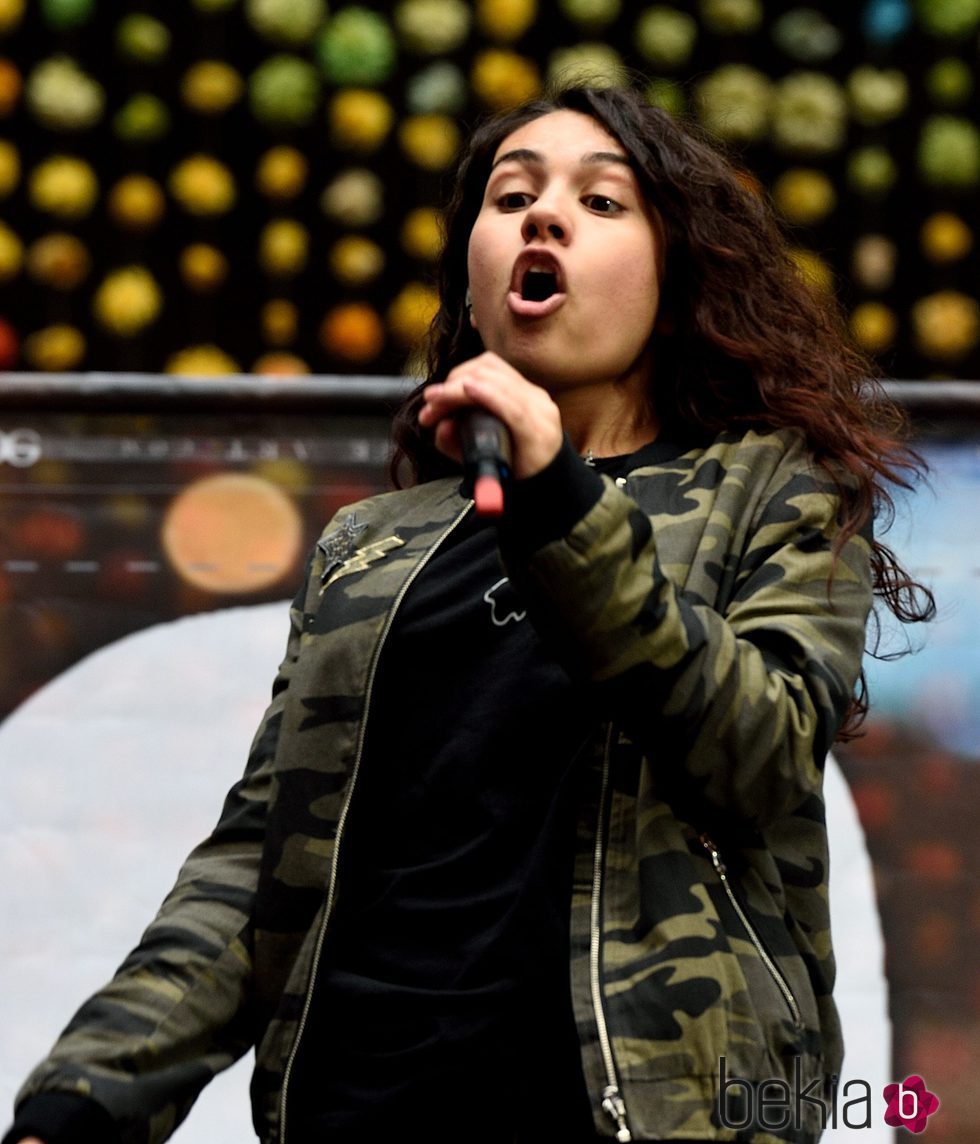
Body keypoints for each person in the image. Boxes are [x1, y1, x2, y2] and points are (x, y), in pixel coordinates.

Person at [4, 84, 932, 1144]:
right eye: (512, 196)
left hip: (637, 1110)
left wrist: (560, 503)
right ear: (475, 275)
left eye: (601, 203)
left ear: (674, 281)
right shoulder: (371, 546)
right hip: (365, 1106)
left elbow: (755, 750)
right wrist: (86, 1096)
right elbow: (261, 865)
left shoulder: (768, 491)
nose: (542, 217)